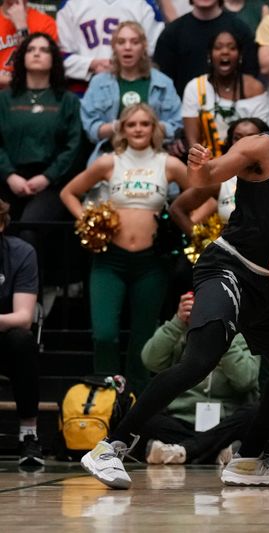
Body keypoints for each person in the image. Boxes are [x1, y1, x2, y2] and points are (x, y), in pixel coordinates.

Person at [79, 71, 269, 490]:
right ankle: (111, 446)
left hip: (265, 280)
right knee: (200, 358)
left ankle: (248, 459)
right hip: (227, 266)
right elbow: (211, 173)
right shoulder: (261, 147)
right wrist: (202, 166)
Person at [60, 103, 190, 395]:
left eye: (145, 124)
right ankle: (105, 398)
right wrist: (88, 221)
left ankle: (137, 403)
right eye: (131, 124)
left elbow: (203, 192)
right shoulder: (109, 162)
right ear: (122, 129)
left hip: (152, 263)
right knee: (105, 335)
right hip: (110, 261)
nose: (138, 129)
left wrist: (188, 224)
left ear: (154, 128)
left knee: (143, 338)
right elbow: (68, 192)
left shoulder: (168, 163)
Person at [138, 292, 260, 466]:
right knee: (144, 415)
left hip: (223, 424)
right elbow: (150, 360)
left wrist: (223, 336)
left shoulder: (244, 335)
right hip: (181, 422)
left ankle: (182, 451)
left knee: (255, 413)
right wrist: (178, 322)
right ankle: (211, 452)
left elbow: (246, 380)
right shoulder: (182, 332)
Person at [0, 32, 82, 254]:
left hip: (52, 183)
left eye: (44, 50)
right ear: (22, 57)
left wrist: (47, 177)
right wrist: (9, 175)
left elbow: (73, 145)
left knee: (29, 229)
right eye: (31, 49)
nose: (37, 53)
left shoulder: (67, 100)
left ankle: (30, 288)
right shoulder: (5, 99)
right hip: (8, 180)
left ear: (53, 59)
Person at [80, 21, 183, 165]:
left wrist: (147, 127)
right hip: (110, 157)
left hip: (155, 158)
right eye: (121, 42)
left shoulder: (163, 82)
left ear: (144, 47)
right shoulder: (99, 83)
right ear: (114, 47)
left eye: (134, 42)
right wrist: (118, 126)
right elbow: (91, 129)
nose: (127, 47)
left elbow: (176, 124)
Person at [170, 117, 269, 233]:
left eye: (250, 137)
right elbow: (177, 209)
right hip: (231, 249)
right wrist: (201, 240)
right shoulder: (220, 179)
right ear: (229, 142)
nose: (242, 143)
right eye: (237, 138)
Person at [0, 198, 42, 466]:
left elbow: (24, 317)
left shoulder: (21, 252)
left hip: (5, 340)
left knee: (22, 340)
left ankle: (29, 433)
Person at [181, 30, 269, 158]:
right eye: (218, 47)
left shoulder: (255, 88)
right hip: (207, 162)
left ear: (240, 56)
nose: (225, 52)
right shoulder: (195, 87)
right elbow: (192, 141)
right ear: (209, 55)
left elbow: (263, 136)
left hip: (248, 160)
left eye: (232, 48)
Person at [153, 0, 259, 95]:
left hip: (233, 108)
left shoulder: (240, 29)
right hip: (184, 110)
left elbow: (250, 74)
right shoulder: (172, 33)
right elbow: (163, 81)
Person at [55, 0, 164, 92]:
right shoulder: (70, 4)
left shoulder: (145, 4)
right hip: (84, 90)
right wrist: (91, 64)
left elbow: (155, 55)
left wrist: (124, 66)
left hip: (133, 88)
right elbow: (60, 59)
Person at [0, 0, 58, 90]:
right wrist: (20, 81)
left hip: (29, 96)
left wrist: (22, 28)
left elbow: (43, 76)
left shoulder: (46, 24)